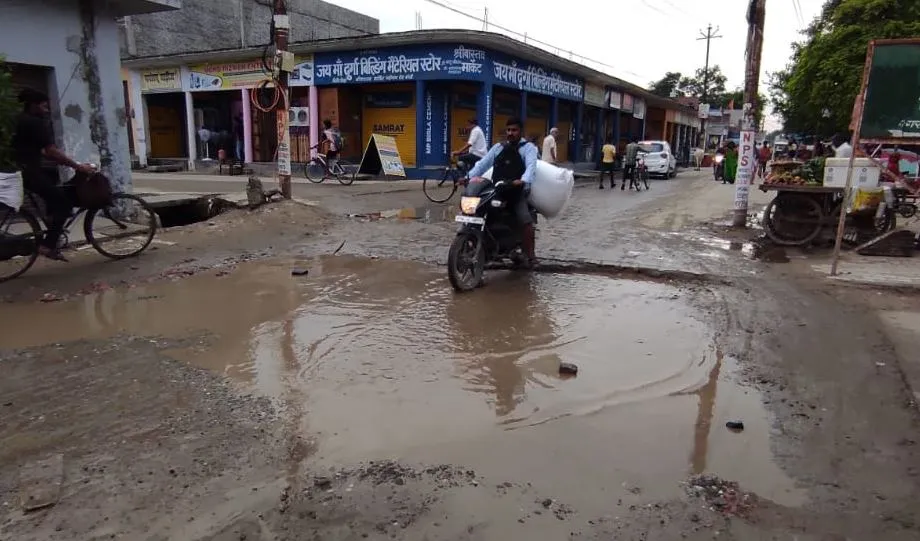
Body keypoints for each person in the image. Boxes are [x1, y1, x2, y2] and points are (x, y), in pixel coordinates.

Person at [12, 88, 94, 261]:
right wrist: (77, 166)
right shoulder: (35, 123)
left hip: (22, 169)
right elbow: (50, 151)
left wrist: (61, 159)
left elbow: (39, 150)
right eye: (44, 106)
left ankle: (51, 216)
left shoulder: (20, 119)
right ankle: (48, 245)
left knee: (54, 175)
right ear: (33, 105)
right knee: (65, 205)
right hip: (30, 173)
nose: (47, 110)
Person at [467, 117, 539, 268]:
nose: (510, 133)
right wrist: (467, 177)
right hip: (498, 189)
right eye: (508, 130)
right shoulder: (498, 147)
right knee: (479, 211)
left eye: (514, 130)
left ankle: (531, 256)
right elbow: (482, 164)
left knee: (525, 220)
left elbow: (531, 166)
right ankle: (486, 248)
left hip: (516, 192)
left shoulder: (528, 148)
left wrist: (523, 180)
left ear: (521, 131)